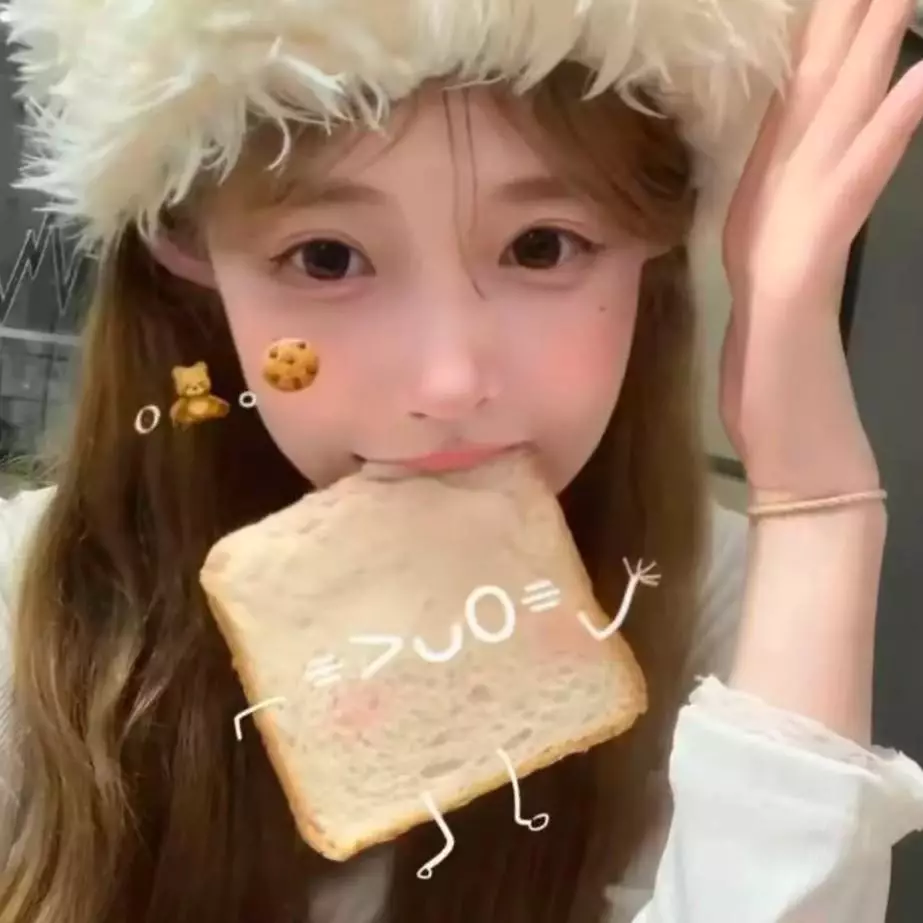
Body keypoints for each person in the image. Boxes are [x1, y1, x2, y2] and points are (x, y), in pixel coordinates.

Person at [1, 0, 922, 921]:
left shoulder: (722, 604)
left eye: (540, 246)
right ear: (192, 262)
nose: (447, 381)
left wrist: (819, 506)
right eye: (326, 257)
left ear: (653, 252)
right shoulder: (26, 608)